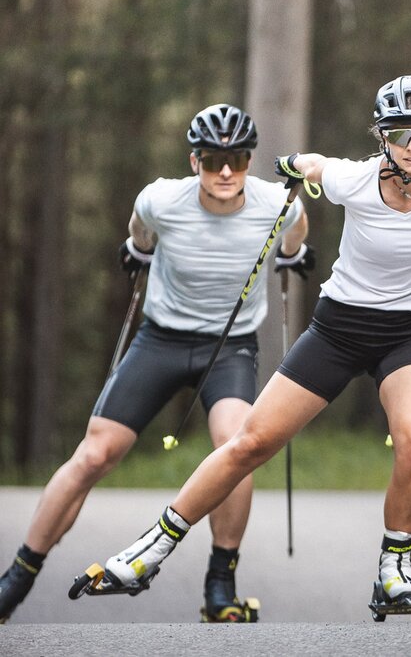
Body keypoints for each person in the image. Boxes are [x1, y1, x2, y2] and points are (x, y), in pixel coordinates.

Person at [98, 74, 411, 612]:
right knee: (251, 443)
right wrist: (293, 164)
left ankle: (394, 569)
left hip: (408, 333)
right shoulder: (354, 181)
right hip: (339, 329)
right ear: (381, 138)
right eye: (399, 134)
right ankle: (150, 549)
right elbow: (314, 164)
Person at [0, 103, 314, 624]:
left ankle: (220, 583)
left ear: (250, 160)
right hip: (161, 339)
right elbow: (139, 233)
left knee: (237, 446)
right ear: (195, 162)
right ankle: (17, 577)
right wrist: (137, 249)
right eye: (214, 161)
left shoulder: (277, 204)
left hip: (230, 347)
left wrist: (291, 255)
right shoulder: (160, 199)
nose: (227, 173)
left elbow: (295, 237)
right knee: (96, 453)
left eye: (237, 159)